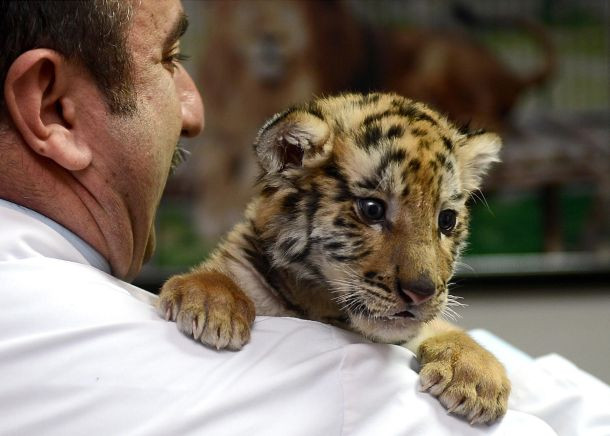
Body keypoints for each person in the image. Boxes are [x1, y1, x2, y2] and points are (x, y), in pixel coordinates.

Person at [0, 1, 606, 435]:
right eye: (169, 57)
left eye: (447, 223)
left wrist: (461, 348)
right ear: (51, 106)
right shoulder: (332, 387)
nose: (425, 276)